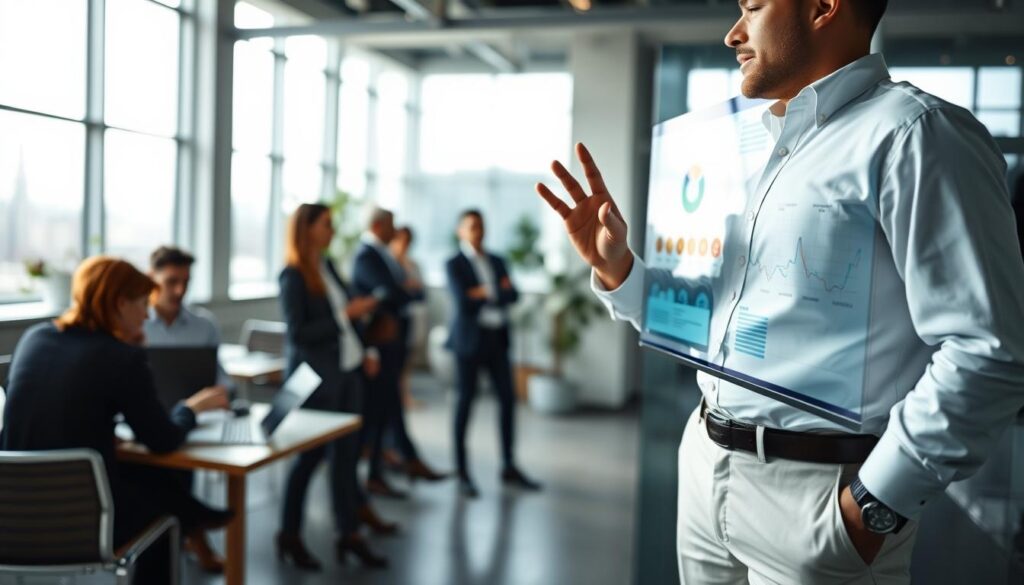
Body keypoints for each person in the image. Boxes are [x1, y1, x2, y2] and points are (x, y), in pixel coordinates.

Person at [536, 0, 1024, 582]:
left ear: (822, 7)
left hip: (820, 497)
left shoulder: (916, 134)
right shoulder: (763, 149)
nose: (732, 33)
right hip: (705, 464)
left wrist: (875, 504)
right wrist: (619, 270)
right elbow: (721, 329)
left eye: (752, 7)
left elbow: (988, 350)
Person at [0, 256, 232, 583]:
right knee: (165, 516)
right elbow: (162, 440)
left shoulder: (34, 338)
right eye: (142, 304)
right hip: (79, 521)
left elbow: (37, 410)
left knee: (143, 475)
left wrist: (98, 430)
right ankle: (191, 514)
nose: (147, 314)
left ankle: (193, 511)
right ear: (120, 303)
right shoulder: (120, 357)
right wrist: (191, 408)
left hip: (12, 515)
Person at [276, 203, 395, 571]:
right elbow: (299, 334)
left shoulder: (326, 267)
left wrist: (366, 349)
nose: (332, 230)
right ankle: (290, 534)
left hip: (346, 374)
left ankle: (350, 535)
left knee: (346, 463)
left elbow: (348, 319)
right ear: (306, 229)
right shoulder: (292, 275)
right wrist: (346, 315)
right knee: (308, 460)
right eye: (326, 224)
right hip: (315, 383)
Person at [143, 245, 233, 573]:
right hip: (146, 419)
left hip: (194, 420)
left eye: (186, 282)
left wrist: (223, 390)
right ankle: (194, 533)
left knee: (180, 453)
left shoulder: (204, 325)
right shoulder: (135, 324)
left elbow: (219, 374)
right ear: (151, 278)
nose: (180, 290)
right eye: (171, 282)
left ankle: (186, 532)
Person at [445, 210, 540, 498]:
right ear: (460, 231)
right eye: (472, 226)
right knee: (465, 403)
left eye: (482, 225)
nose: (478, 230)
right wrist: (494, 291)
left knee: (508, 401)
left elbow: (514, 296)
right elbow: (463, 303)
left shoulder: (497, 260)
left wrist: (483, 292)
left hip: (498, 340)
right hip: (469, 343)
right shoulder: (454, 264)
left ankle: (508, 464)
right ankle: (462, 472)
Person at [352, 207, 446, 498]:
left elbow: (405, 292)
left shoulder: (381, 254)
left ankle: (396, 464)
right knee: (378, 410)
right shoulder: (367, 255)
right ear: (378, 225)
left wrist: (401, 290)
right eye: (391, 224)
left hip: (393, 339)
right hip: (379, 344)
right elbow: (392, 292)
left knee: (389, 408)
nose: (396, 229)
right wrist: (402, 290)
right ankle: (376, 474)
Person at [389, 226, 429, 411]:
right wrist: (408, 289)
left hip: (414, 317)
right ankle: (400, 397)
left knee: (408, 359)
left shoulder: (414, 265)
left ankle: (405, 395)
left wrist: (409, 289)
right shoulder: (389, 263)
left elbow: (420, 292)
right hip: (395, 321)